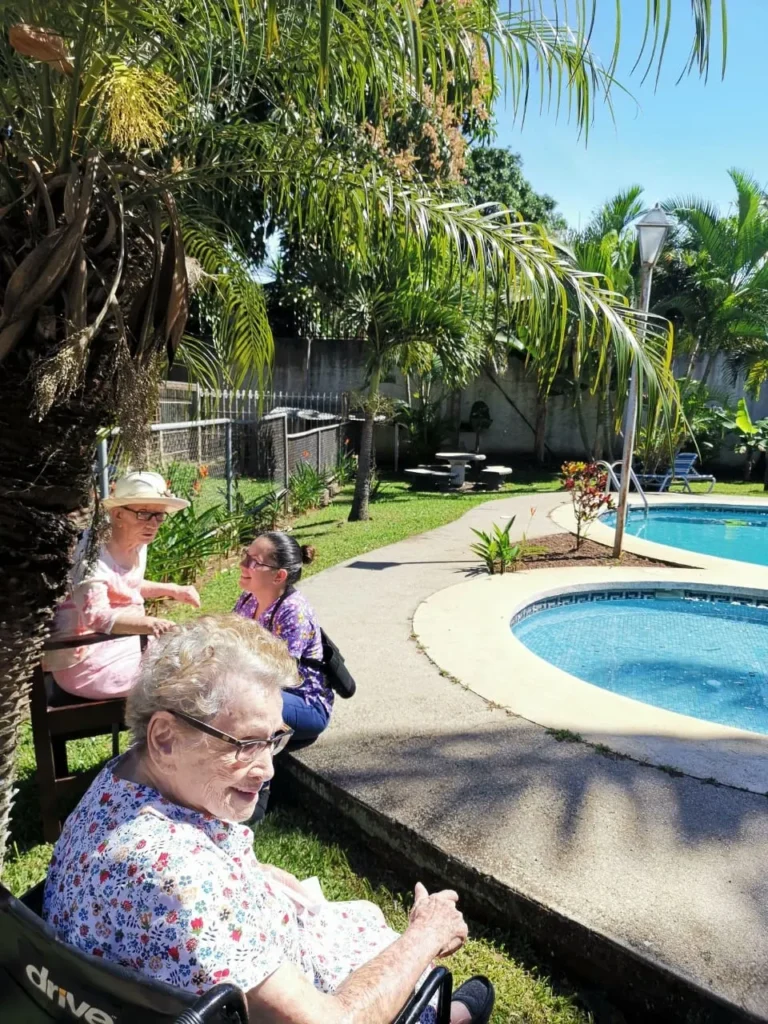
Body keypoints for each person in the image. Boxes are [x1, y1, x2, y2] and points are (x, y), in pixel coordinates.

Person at [43, 616, 495, 1024]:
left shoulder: (119, 783)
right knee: (429, 981)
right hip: (320, 997)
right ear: (165, 737)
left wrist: (259, 876)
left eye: (274, 740)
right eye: (244, 744)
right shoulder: (182, 879)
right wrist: (425, 934)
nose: (267, 770)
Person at [44, 471, 200, 701]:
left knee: (197, 660)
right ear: (117, 514)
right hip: (88, 659)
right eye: (144, 514)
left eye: (159, 515)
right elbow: (96, 616)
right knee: (182, 680)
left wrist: (174, 589)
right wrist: (149, 624)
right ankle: (157, 734)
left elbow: (126, 586)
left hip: (127, 644)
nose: (153, 523)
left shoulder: (137, 542)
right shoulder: (90, 554)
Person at [234, 531, 332, 744]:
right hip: (261, 689)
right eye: (245, 555)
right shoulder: (248, 599)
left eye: (253, 561)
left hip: (305, 702)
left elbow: (280, 675)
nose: (242, 564)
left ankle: (259, 776)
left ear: (279, 576)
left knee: (239, 703)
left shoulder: (293, 612)